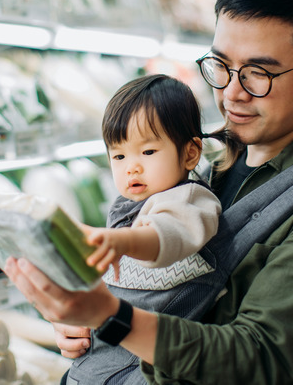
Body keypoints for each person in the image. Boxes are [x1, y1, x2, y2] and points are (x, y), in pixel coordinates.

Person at [4, 0, 293, 384]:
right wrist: (87, 324)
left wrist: (112, 317)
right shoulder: (206, 156)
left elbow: (258, 356)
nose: (232, 93)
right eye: (221, 66)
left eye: (258, 74)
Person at [66, 73, 221, 383]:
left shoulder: (189, 199)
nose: (131, 167)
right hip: (107, 354)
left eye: (148, 152)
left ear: (190, 152)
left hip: (146, 365)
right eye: (119, 156)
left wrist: (121, 240)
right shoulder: (126, 205)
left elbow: (165, 234)